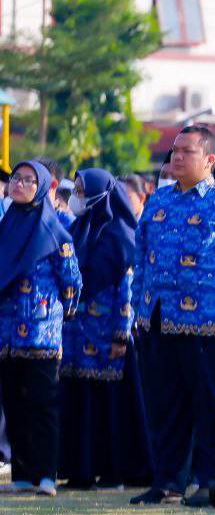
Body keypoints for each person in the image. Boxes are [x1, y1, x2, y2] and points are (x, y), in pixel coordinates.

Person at [129, 127, 215, 507]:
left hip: (211, 321)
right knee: (167, 407)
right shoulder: (159, 201)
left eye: (187, 151)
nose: (177, 157)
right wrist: (141, 307)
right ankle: (169, 482)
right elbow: (141, 257)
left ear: (209, 160)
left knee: (214, 406)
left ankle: (213, 483)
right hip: (161, 320)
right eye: (174, 151)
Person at [59, 170, 147, 491]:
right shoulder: (78, 228)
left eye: (83, 191)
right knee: (79, 404)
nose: (77, 196)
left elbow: (126, 290)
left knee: (109, 407)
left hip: (108, 335)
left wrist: (122, 335)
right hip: (77, 336)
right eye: (76, 190)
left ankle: (113, 472)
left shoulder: (120, 235)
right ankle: (80, 471)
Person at [0, 161, 81, 497]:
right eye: (16, 179)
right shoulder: (5, 227)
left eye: (28, 180)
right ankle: (22, 472)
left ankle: (47, 474)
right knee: (13, 403)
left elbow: (72, 282)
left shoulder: (55, 231)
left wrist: (57, 316)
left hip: (41, 334)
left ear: (43, 185)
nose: (19, 184)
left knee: (42, 403)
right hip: (5, 335)